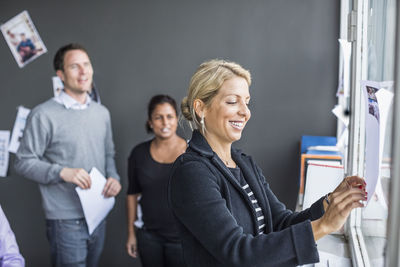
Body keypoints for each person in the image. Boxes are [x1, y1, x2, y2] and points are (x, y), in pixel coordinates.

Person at [168, 59, 367, 267]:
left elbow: (280, 223)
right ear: (201, 108)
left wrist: (330, 203)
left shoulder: (244, 164)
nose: (245, 112)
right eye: (232, 101)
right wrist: (322, 226)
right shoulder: (191, 172)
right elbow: (238, 252)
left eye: (246, 101)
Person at [14, 43, 121, 267]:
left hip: (98, 213)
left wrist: (114, 178)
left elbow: (109, 154)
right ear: (60, 74)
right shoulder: (43, 114)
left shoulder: (102, 113)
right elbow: (23, 162)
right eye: (74, 66)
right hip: (65, 221)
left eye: (86, 65)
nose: (83, 72)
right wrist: (62, 172)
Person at [126, 95, 187, 267]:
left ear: (176, 119)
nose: (165, 122)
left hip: (182, 239)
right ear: (150, 122)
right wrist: (131, 233)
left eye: (169, 116)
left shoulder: (191, 153)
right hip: (149, 237)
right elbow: (132, 194)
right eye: (158, 117)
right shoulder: (138, 153)